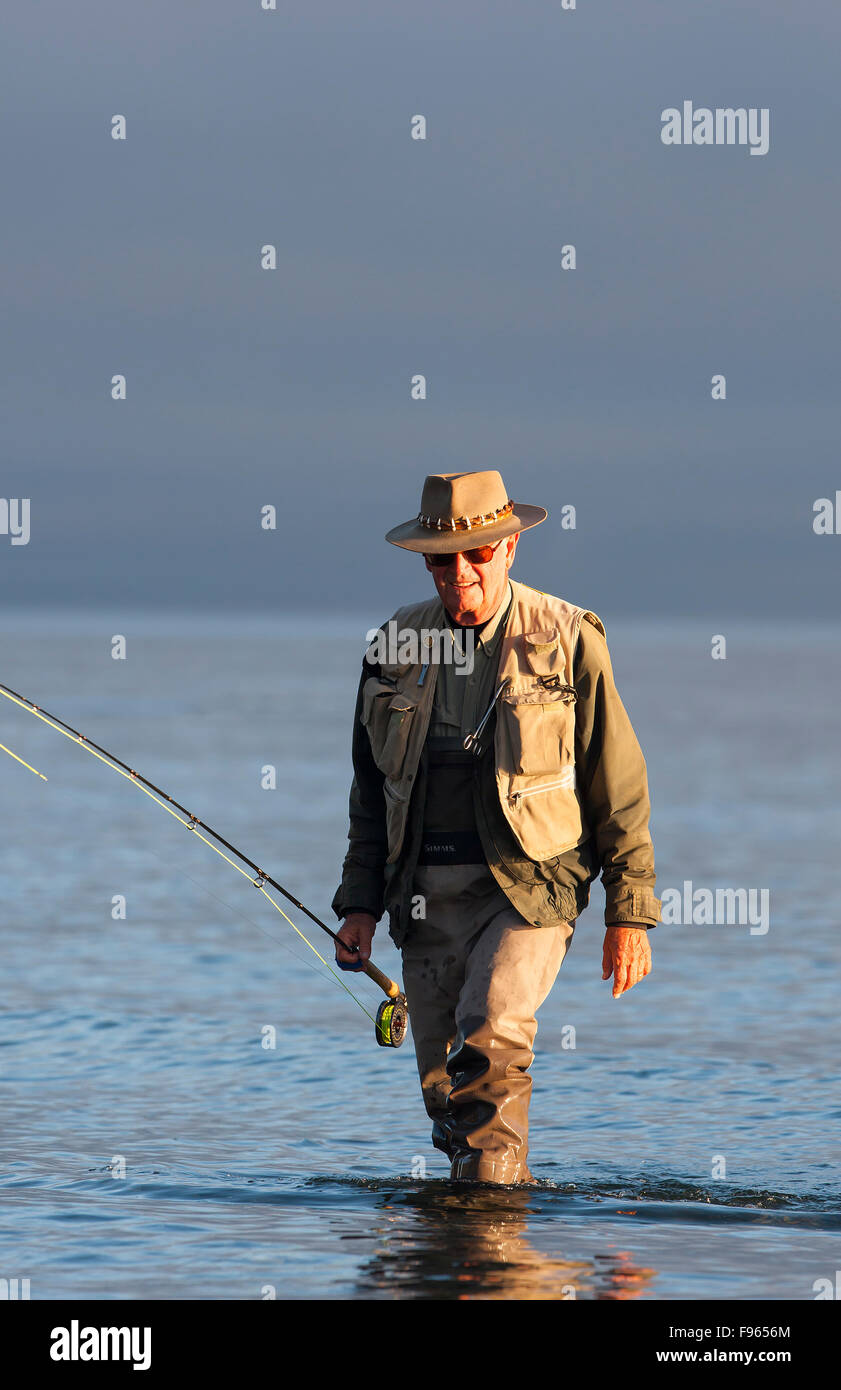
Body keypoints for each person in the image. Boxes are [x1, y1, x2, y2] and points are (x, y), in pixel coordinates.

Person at [332, 470, 660, 1184]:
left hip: (530, 890)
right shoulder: (392, 643)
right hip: (420, 898)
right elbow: (368, 790)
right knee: (446, 1097)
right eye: (441, 559)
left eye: (476, 554)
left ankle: (492, 1245)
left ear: (509, 547)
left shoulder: (570, 637)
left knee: (491, 1032)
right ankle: (484, 1233)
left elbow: (618, 783)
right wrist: (358, 904)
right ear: (423, 561)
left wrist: (628, 913)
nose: (460, 574)